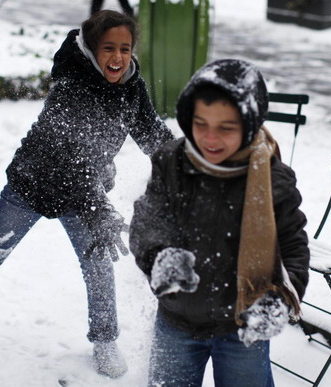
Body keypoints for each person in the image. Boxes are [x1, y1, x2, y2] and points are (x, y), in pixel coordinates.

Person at [0, 10, 174, 378]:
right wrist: (99, 211)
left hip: (82, 195)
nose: (117, 57)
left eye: (124, 49)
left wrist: (189, 164)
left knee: (98, 267)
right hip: (32, 186)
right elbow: (70, 156)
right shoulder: (71, 88)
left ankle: (105, 339)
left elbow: (152, 134)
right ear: (92, 49)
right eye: (108, 48)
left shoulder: (131, 88)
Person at [129, 59, 310, 386]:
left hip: (242, 327)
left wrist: (282, 296)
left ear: (250, 124)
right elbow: (148, 218)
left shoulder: (273, 179)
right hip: (177, 321)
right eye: (200, 124)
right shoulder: (172, 162)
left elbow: (293, 246)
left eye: (226, 128)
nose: (210, 138)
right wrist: (158, 255)